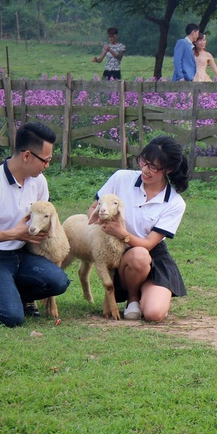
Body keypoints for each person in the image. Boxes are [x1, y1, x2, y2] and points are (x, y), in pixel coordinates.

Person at [0, 122, 70, 327]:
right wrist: (11, 234)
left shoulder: (39, 181)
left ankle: (13, 291)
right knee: (11, 318)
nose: (47, 165)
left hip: (23, 253)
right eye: (45, 161)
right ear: (27, 155)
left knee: (59, 281)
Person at [85, 136, 190, 321]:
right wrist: (102, 223)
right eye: (143, 162)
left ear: (169, 169)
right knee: (138, 256)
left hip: (152, 255)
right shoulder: (121, 178)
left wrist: (122, 233)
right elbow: (93, 208)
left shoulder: (175, 202)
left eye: (153, 167)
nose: (145, 170)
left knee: (154, 314)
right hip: (119, 253)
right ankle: (133, 297)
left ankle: (149, 290)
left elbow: (149, 244)